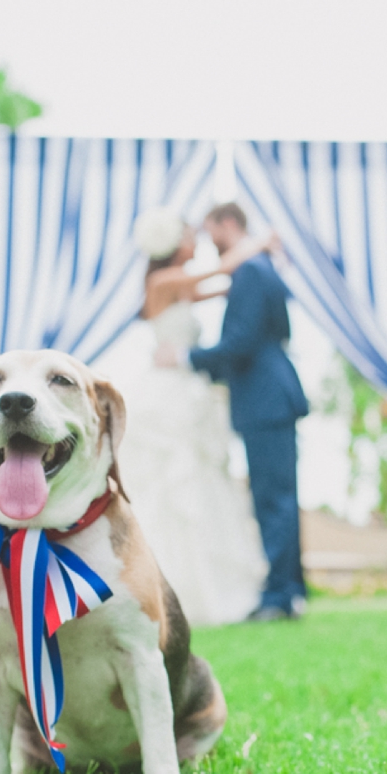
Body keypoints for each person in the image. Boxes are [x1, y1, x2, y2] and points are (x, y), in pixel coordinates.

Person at [157, 202, 308, 621]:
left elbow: (239, 342)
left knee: (272, 499)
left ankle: (280, 595)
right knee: (277, 496)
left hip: (266, 399)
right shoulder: (257, 267)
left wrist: (187, 357)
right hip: (268, 398)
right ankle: (290, 588)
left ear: (228, 224)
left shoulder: (251, 270)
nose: (208, 243)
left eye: (211, 233)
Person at [119, 207, 269, 626]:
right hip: (166, 395)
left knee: (201, 484)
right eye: (189, 235)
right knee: (168, 486)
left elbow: (219, 288)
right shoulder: (164, 280)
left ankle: (210, 587)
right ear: (171, 244)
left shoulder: (179, 286)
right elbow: (218, 272)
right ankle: (162, 587)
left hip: (188, 391)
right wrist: (256, 243)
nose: (196, 241)